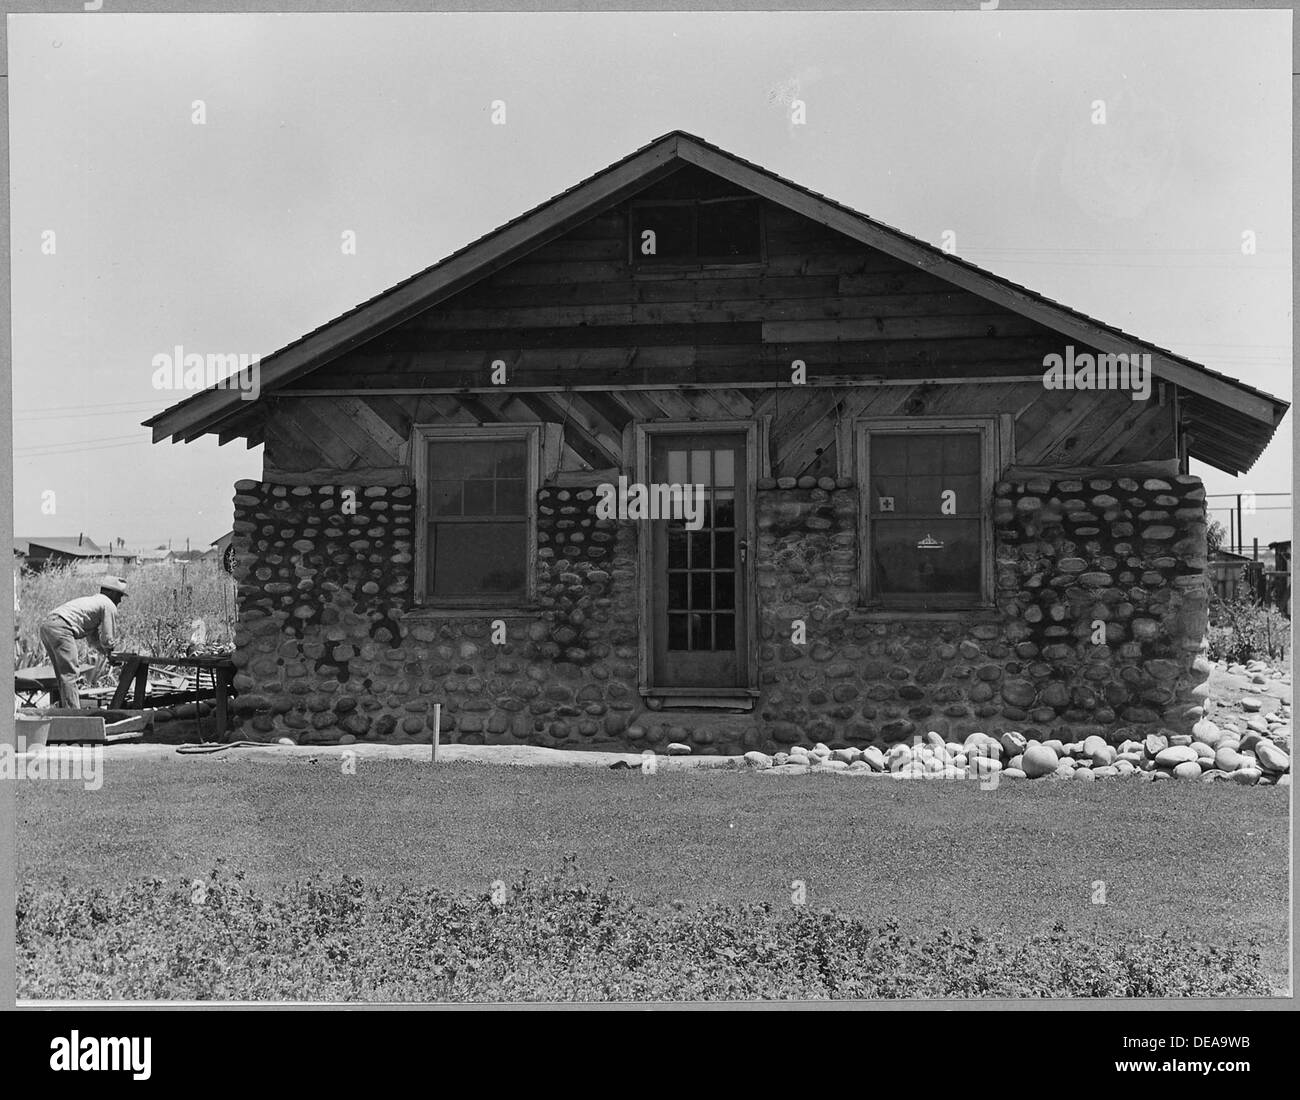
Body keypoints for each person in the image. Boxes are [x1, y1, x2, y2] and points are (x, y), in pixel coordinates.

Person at [39, 576, 129, 708]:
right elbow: (108, 638)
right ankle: (73, 713)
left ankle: (66, 709)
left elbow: (93, 639)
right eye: (119, 596)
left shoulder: (93, 604)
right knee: (70, 675)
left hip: (47, 626)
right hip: (62, 628)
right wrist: (111, 653)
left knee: (63, 675)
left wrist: (107, 654)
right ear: (112, 593)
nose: (120, 600)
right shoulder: (108, 604)